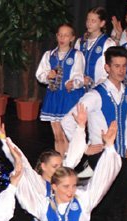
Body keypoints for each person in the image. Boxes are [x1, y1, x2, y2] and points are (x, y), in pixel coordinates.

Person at [61, 46, 127, 221]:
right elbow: (67, 120)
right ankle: (90, 211)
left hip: (119, 152)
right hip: (99, 153)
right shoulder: (95, 95)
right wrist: (85, 147)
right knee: (92, 181)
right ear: (107, 67)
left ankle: (113, 212)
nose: (121, 70)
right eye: (116, 66)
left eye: (124, 66)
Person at [37, 23, 85, 155]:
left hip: (69, 98)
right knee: (57, 135)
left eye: (66, 35)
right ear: (57, 36)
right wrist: (48, 76)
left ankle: (69, 163)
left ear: (72, 38)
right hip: (54, 97)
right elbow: (40, 74)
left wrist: (73, 83)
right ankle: (60, 163)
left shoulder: (77, 55)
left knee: (67, 134)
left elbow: (79, 76)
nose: (62, 38)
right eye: (60, 35)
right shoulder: (49, 55)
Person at [76, 7, 116, 89]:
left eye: (93, 21)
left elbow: (110, 71)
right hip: (80, 90)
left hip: (99, 90)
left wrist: (93, 85)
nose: (89, 23)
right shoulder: (80, 42)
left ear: (102, 23)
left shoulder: (108, 43)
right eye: (88, 20)